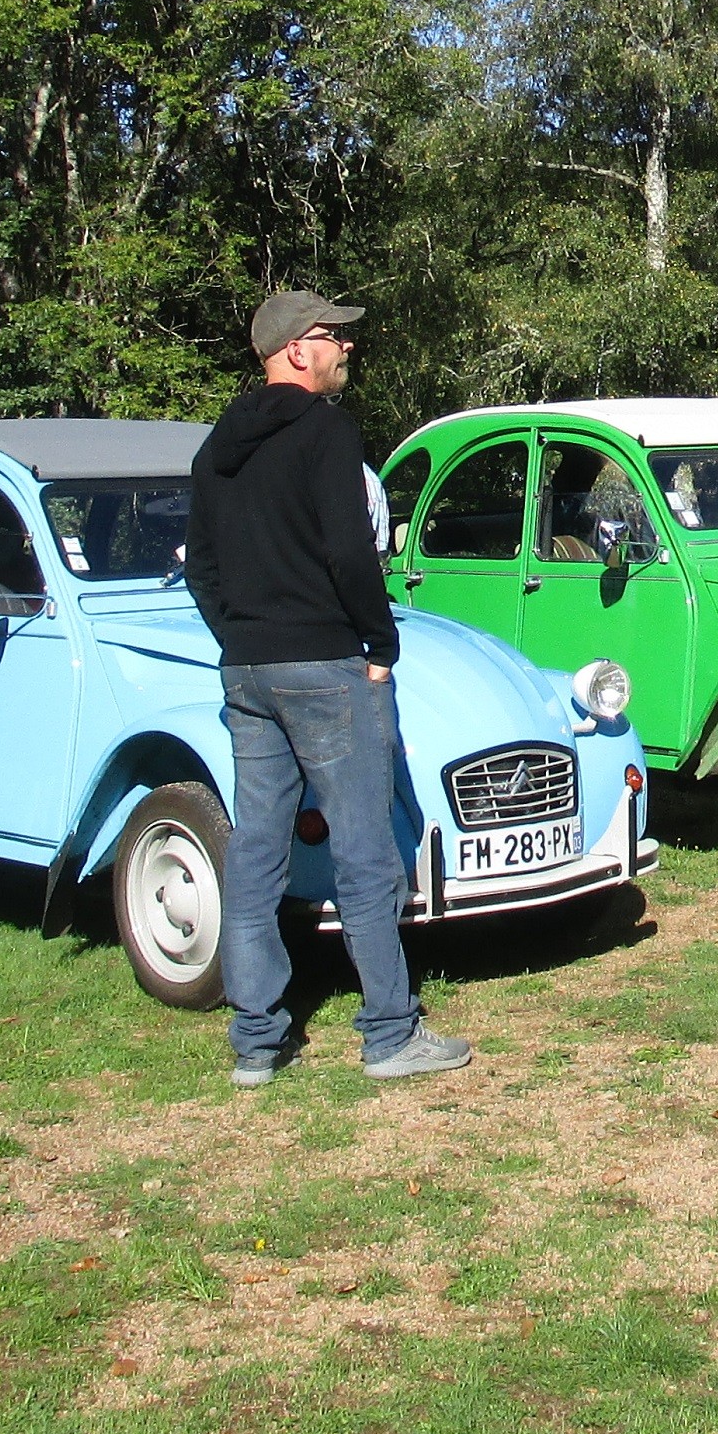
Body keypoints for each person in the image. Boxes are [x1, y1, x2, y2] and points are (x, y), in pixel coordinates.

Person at [186, 287, 468, 1090]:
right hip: (326, 667)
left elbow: (199, 566)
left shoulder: (215, 449)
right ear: (294, 351)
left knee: (256, 852)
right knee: (365, 852)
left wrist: (240, 636)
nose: (347, 348)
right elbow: (351, 553)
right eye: (331, 336)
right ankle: (389, 1033)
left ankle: (256, 1042)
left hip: (247, 670)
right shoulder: (325, 431)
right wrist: (379, 644)